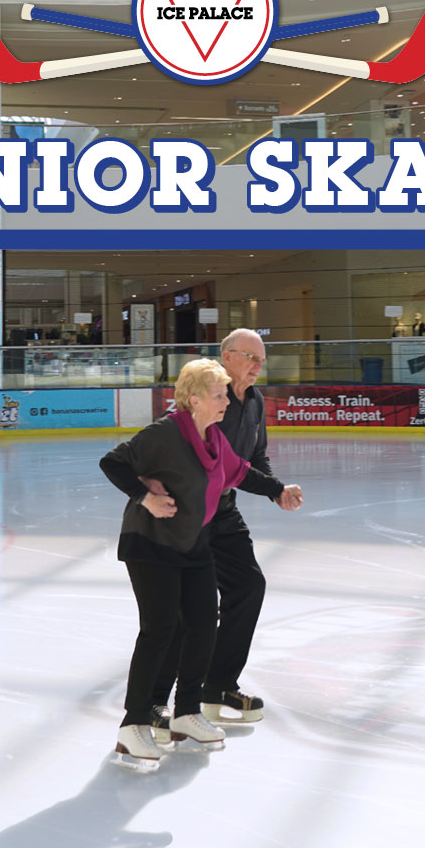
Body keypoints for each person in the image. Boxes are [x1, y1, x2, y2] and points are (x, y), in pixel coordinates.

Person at [99, 358, 296, 772]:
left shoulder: (213, 439)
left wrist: (278, 490)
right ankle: (133, 724)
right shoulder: (165, 434)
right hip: (151, 544)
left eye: (226, 393)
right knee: (160, 630)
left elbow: (241, 473)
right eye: (219, 394)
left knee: (203, 621)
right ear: (194, 399)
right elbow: (113, 462)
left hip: (191, 543)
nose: (227, 400)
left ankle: (186, 714)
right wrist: (145, 495)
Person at [146, 329, 303, 737]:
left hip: (222, 508)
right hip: (185, 512)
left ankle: (217, 686)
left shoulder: (254, 402)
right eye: (251, 357)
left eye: (262, 360)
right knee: (187, 609)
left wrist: (276, 489)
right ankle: (155, 702)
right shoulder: (206, 396)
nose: (258, 366)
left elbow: (252, 458)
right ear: (227, 357)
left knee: (248, 586)